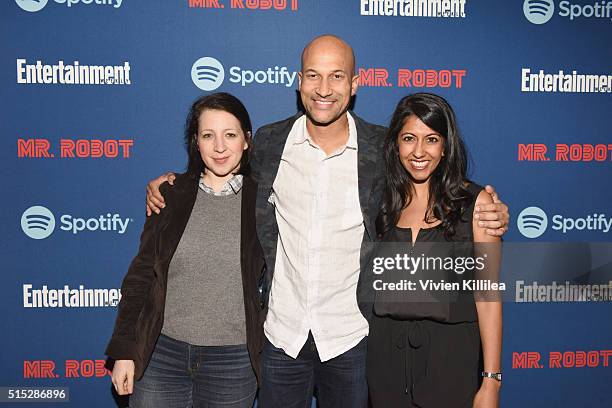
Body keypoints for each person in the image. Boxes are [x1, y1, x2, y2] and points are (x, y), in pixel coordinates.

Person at [145, 35, 509, 408]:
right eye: (313, 76)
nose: (323, 89)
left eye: (336, 77)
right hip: (282, 338)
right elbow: (219, 165)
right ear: (298, 81)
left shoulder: (382, 149)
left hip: (351, 339)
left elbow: (429, 170)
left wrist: (485, 204)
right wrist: (171, 185)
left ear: (354, 85)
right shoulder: (271, 143)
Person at [105, 92, 265, 408]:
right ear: (196, 141)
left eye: (230, 135)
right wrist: (124, 350)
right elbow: (140, 278)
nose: (220, 146)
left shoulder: (265, 201)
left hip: (233, 362)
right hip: (161, 356)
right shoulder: (169, 194)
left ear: (246, 140)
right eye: (208, 135)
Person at [367, 93, 502, 407]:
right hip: (385, 364)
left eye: (431, 139)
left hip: (450, 362)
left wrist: (491, 381)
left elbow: (489, 297)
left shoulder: (476, 204)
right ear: (395, 144)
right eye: (409, 138)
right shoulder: (382, 202)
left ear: (445, 147)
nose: (418, 151)